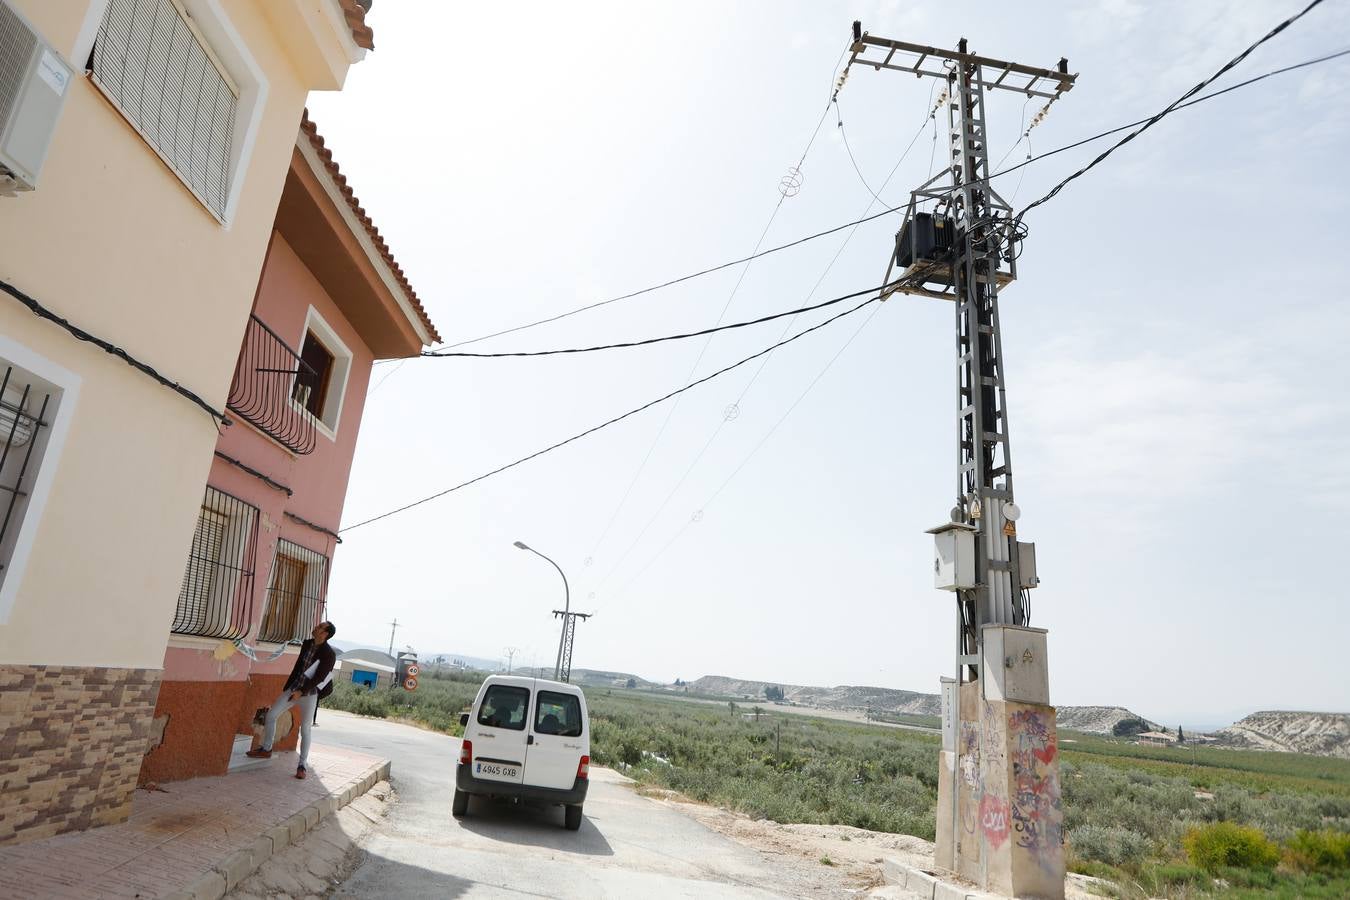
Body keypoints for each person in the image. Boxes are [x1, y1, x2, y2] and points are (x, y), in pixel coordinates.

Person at [246, 621, 337, 779]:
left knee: (305, 729)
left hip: (309, 694)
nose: (316, 627)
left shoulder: (329, 654)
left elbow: (320, 677)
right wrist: (291, 687)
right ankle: (266, 749)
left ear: (325, 634)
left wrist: (301, 692)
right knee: (271, 715)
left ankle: (302, 766)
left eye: (320, 627)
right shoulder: (307, 644)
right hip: (293, 689)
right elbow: (299, 667)